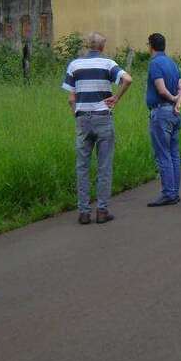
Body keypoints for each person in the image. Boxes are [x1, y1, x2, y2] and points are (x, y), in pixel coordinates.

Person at [62, 32, 132, 224]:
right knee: (104, 166)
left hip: (83, 119)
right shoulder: (108, 64)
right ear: (102, 47)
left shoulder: (74, 65)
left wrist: (78, 115)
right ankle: (102, 210)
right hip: (103, 117)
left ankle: (84, 212)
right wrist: (116, 98)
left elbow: (71, 98)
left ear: (88, 46)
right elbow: (128, 79)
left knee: (82, 166)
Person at [145, 32, 181, 207]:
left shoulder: (155, 64)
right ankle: (174, 192)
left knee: (163, 155)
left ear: (150, 46)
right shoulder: (172, 63)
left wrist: (171, 98)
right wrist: (178, 101)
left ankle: (168, 193)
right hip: (174, 114)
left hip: (161, 112)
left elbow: (161, 90)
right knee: (174, 154)